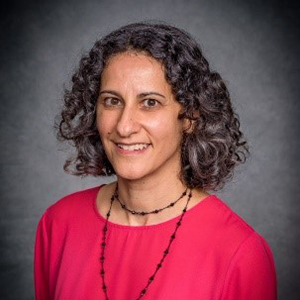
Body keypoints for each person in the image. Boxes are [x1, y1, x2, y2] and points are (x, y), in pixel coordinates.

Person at [34, 22, 277, 300]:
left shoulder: (240, 253)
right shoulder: (58, 224)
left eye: (149, 102)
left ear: (189, 118)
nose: (124, 127)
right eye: (112, 101)